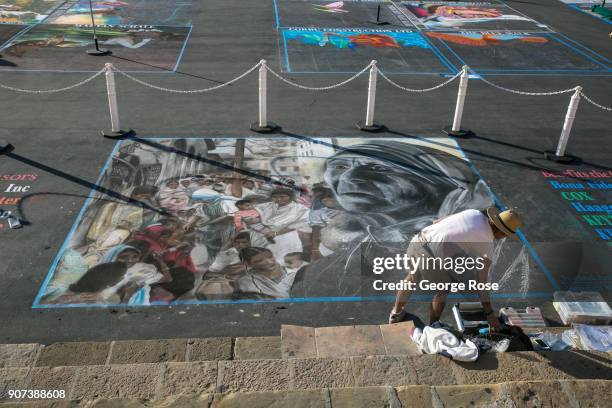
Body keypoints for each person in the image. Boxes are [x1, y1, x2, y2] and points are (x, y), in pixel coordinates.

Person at [389, 207, 522, 330]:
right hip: (430, 256)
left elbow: (437, 222)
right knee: (443, 289)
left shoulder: (473, 213)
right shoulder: (486, 242)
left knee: (412, 278)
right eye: (505, 234)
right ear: (500, 230)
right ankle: (434, 327)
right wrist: (489, 314)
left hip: (418, 240)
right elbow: (481, 282)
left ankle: (395, 314)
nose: (503, 238)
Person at [254, 188, 311, 263]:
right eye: (275, 197)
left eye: (282, 196)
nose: (278, 199)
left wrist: (275, 234)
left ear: (290, 197)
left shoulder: (300, 209)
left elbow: (295, 226)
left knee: (286, 259)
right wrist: (264, 229)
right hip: (266, 235)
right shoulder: (269, 205)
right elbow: (254, 210)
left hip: (287, 236)